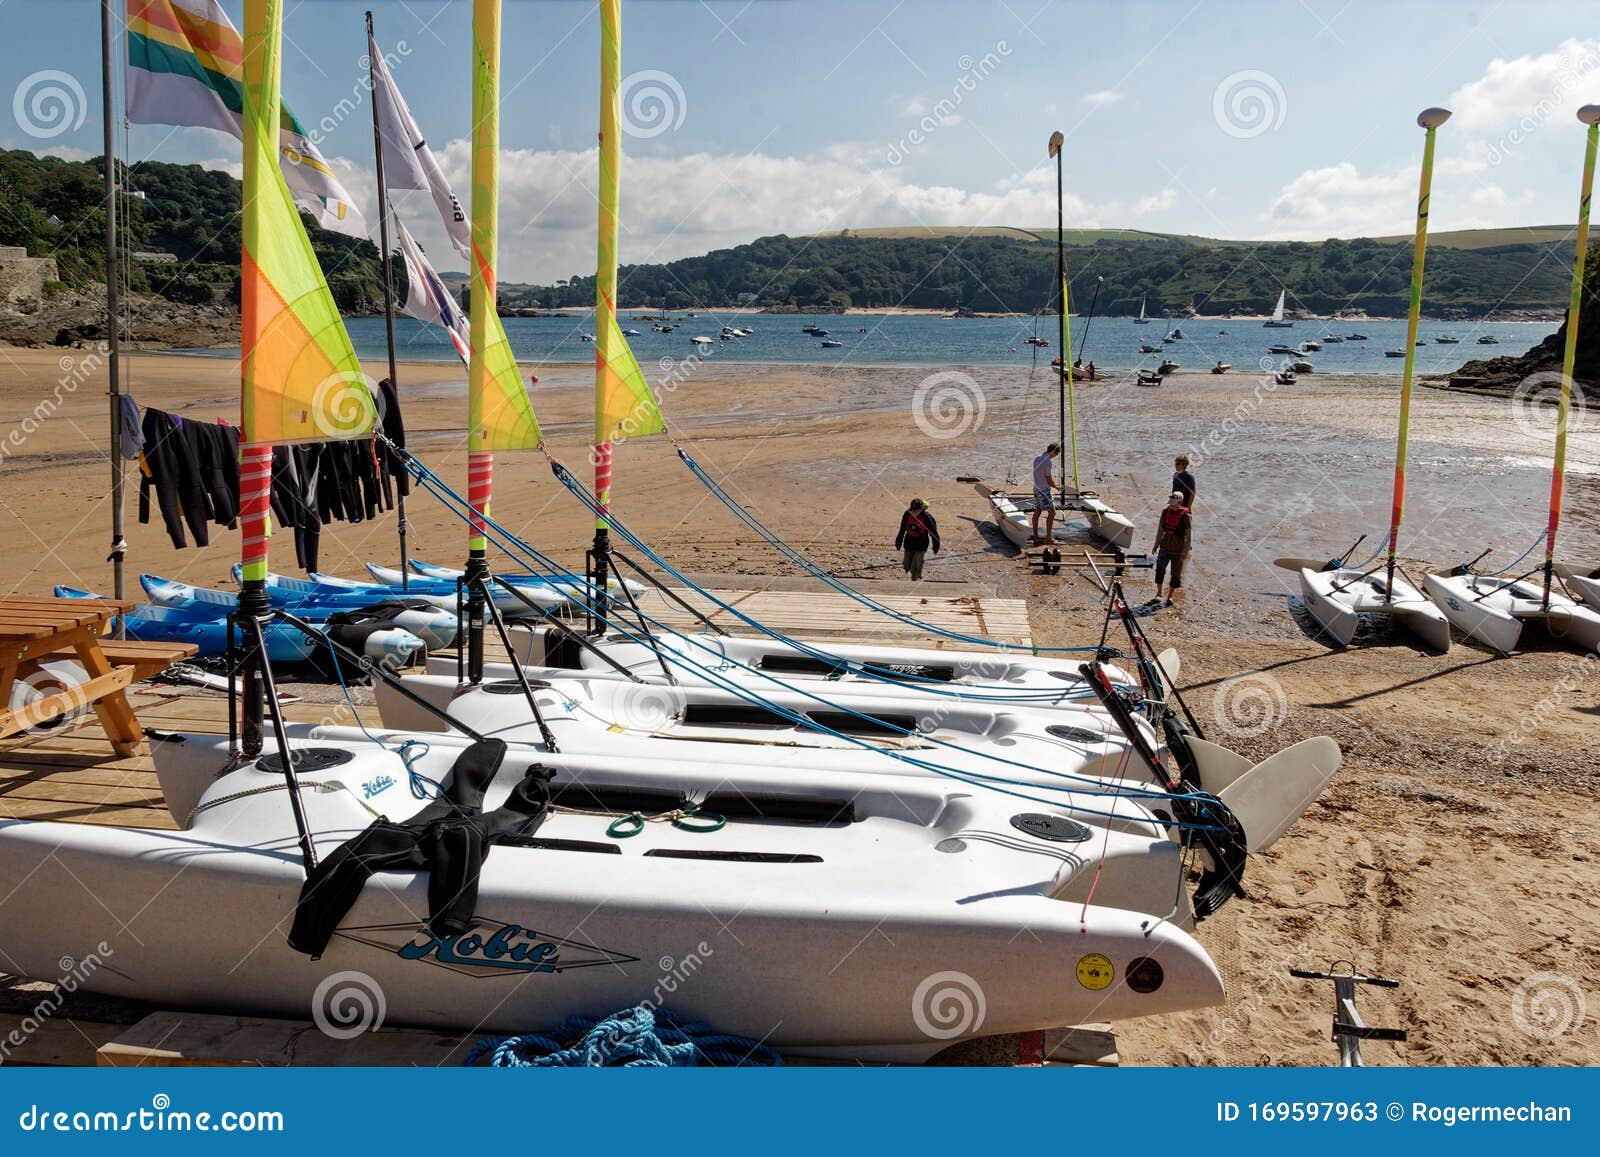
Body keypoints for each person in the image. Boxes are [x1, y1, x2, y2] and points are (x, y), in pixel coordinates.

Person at [1151, 490, 1192, 607]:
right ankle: (1158, 593)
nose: (1172, 506)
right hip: (1165, 546)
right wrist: (1156, 544)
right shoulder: (1165, 512)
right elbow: (1160, 530)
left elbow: (1189, 537)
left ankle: (1169, 596)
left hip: (1178, 549)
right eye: (1171, 503)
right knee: (1160, 568)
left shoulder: (1186, 517)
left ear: (1180, 503)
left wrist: (1185, 551)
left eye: (1174, 503)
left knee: (1175, 573)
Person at [894, 498, 941, 581]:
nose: (914, 513)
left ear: (921, 509)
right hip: (909, 541)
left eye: (916, 511)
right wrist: (898, 542)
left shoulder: (927, 518)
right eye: (912, 510)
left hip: (921, 543)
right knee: (906, 565)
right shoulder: (907, 514)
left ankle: (915, 579)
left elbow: (934, 534)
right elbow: (902, 529)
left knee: (915, 567)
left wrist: (936, 546)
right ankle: (914, 574)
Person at [1030, 442, 1061, 545]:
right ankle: (1049, 538)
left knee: (1037, 512)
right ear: (1053, 451)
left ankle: (1035, 537)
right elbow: (1048, 478)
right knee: (1052, 513)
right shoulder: (1047, 461)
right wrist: (1056, 487)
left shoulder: (1037, 457)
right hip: (1044, 490)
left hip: (1036, 488)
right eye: (1056, 454)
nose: (1055, 457)